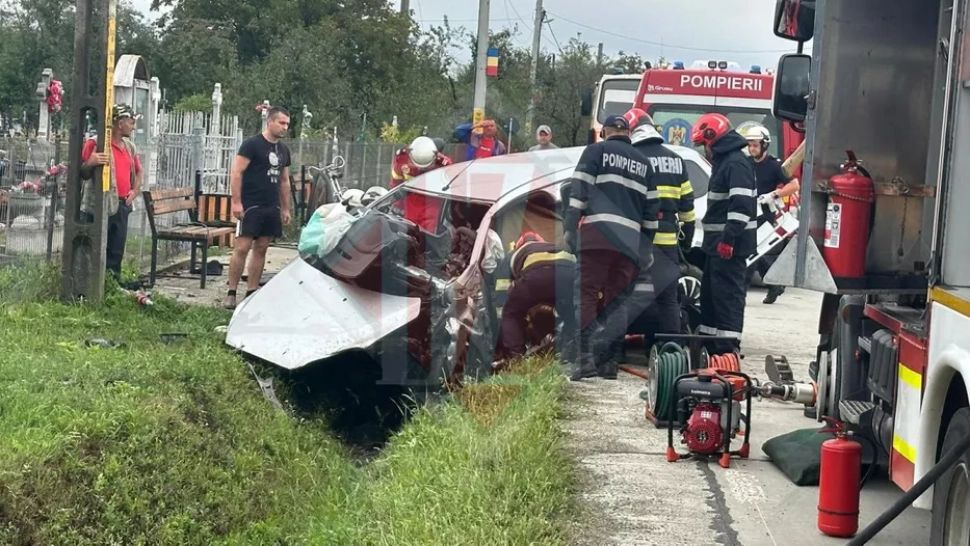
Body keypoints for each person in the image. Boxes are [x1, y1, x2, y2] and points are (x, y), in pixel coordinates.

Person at [587, 108, 697, 376]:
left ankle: (619, 350)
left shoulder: (634, 159)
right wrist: (686, 242)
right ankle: (671, 351)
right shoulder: (676, 160)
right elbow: (688, 207)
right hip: (669, 240)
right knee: (668, 299)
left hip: (639, 239)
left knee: (626, 296)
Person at [563, 114, 660, 380]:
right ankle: (609, 363)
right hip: (629, 242)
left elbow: (578, 192)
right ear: (628, 133)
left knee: (586, 294)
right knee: (618, 301)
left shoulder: (596, 151)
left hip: (597, 236)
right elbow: (652, 212)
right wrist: (645, 248)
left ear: (604, 132)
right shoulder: (644, 163)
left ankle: (585, 361)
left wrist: (570, 228)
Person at [691, 113, 757, 353]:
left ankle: (727, 349)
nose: (704, 149)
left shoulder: (735, 163)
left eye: (704, 143)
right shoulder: (726, 161)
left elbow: (740, 206)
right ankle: (709, 345)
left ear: (712, 137)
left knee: (727, 298)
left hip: (729, 246)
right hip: (716, 246)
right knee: (711, 297)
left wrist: (729, 239)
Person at [223, 106, 292, 310]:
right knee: (242, 247)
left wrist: (285, 208)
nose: (284, 127)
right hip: (250, 204)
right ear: (270, 121)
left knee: (261, 248)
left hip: (271, 206)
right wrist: (236, 202)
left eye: (287, 124)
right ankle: (231, 291)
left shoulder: (283, 150)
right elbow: (236, 173)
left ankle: (252, 291)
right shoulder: (252, 145)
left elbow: (285, 181)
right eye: (281, 123)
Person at [738, 122, 800, 304]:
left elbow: (794, 185)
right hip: (748, 211)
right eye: (749, 145)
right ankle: (775, 285)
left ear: (764, 145)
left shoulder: (774, 165)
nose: (751, 148)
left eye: (755, 145)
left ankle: (741, 291)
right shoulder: (745, 163)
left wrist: (774, 194)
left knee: (752, 252)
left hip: (765, 214)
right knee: (756, 252)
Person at [79, 103, 143, 280]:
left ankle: (112, 284)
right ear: (119, 122)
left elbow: (139, 171)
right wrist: (91, 162)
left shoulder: (129, 147)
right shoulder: (95, 143)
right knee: (96, 248)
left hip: (122, 205)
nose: (133, 126)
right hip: (98, 205)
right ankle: (92, 285)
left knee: (116, 250)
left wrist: (135, 191)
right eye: (130, 122)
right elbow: (82, 173)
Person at [495, 232, 576, 361]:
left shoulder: (514, 253)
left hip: (537, 275)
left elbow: (502, 291)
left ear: (519, 244)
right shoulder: (553, 246)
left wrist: (500, 318)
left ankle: (516, 356)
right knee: (571, 312)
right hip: (569, 272)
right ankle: (572, 350)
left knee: (511, 313)